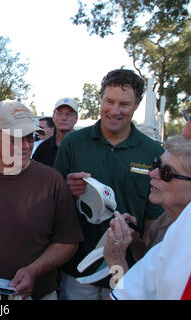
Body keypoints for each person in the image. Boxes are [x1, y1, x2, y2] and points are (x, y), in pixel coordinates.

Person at [0, 100, 84, 300]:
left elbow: (68, 241)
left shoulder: (52, 181)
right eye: (15, 138)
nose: (25, 145)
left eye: (30, 137)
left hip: (37, 294)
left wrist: (35, 270)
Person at [53, 68, 164, 300]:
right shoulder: (73, 144)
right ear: (100, 99)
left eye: (124, 104)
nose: (115, 111)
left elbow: (155, 223)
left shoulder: (154, 152)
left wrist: (139, 243)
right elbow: (53, 204)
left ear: (136, 106)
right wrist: (67, 189)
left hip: (127, 271)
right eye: (109, 101)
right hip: (78, 269)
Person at [109, 119, 191, 300]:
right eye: (156, 164)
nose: (152, 174)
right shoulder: (164, 222)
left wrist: (116, 261)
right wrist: (135, 243)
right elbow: (146, 273)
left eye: (166, 172)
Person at [32, 98, 79, 167]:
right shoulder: (43, 148)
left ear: (76, 118)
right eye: (59, 113)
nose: (63, 118)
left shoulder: (86, 146)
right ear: (53, 116)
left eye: (69, 114)